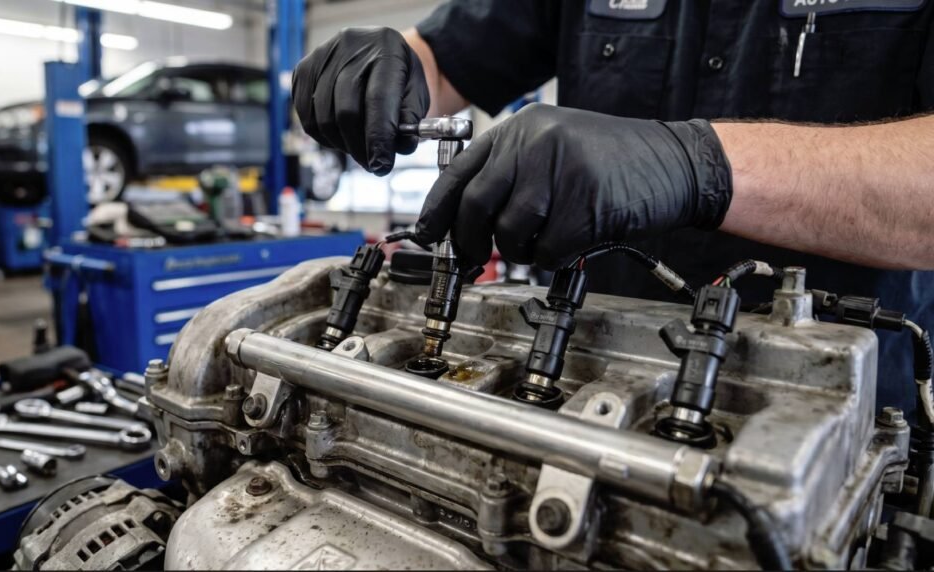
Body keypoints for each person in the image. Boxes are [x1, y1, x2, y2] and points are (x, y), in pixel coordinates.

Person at [292, 0, 934, 417]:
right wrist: (390, 67)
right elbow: (443, 62)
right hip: (575, 380)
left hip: (832, 407)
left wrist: (700, 163)